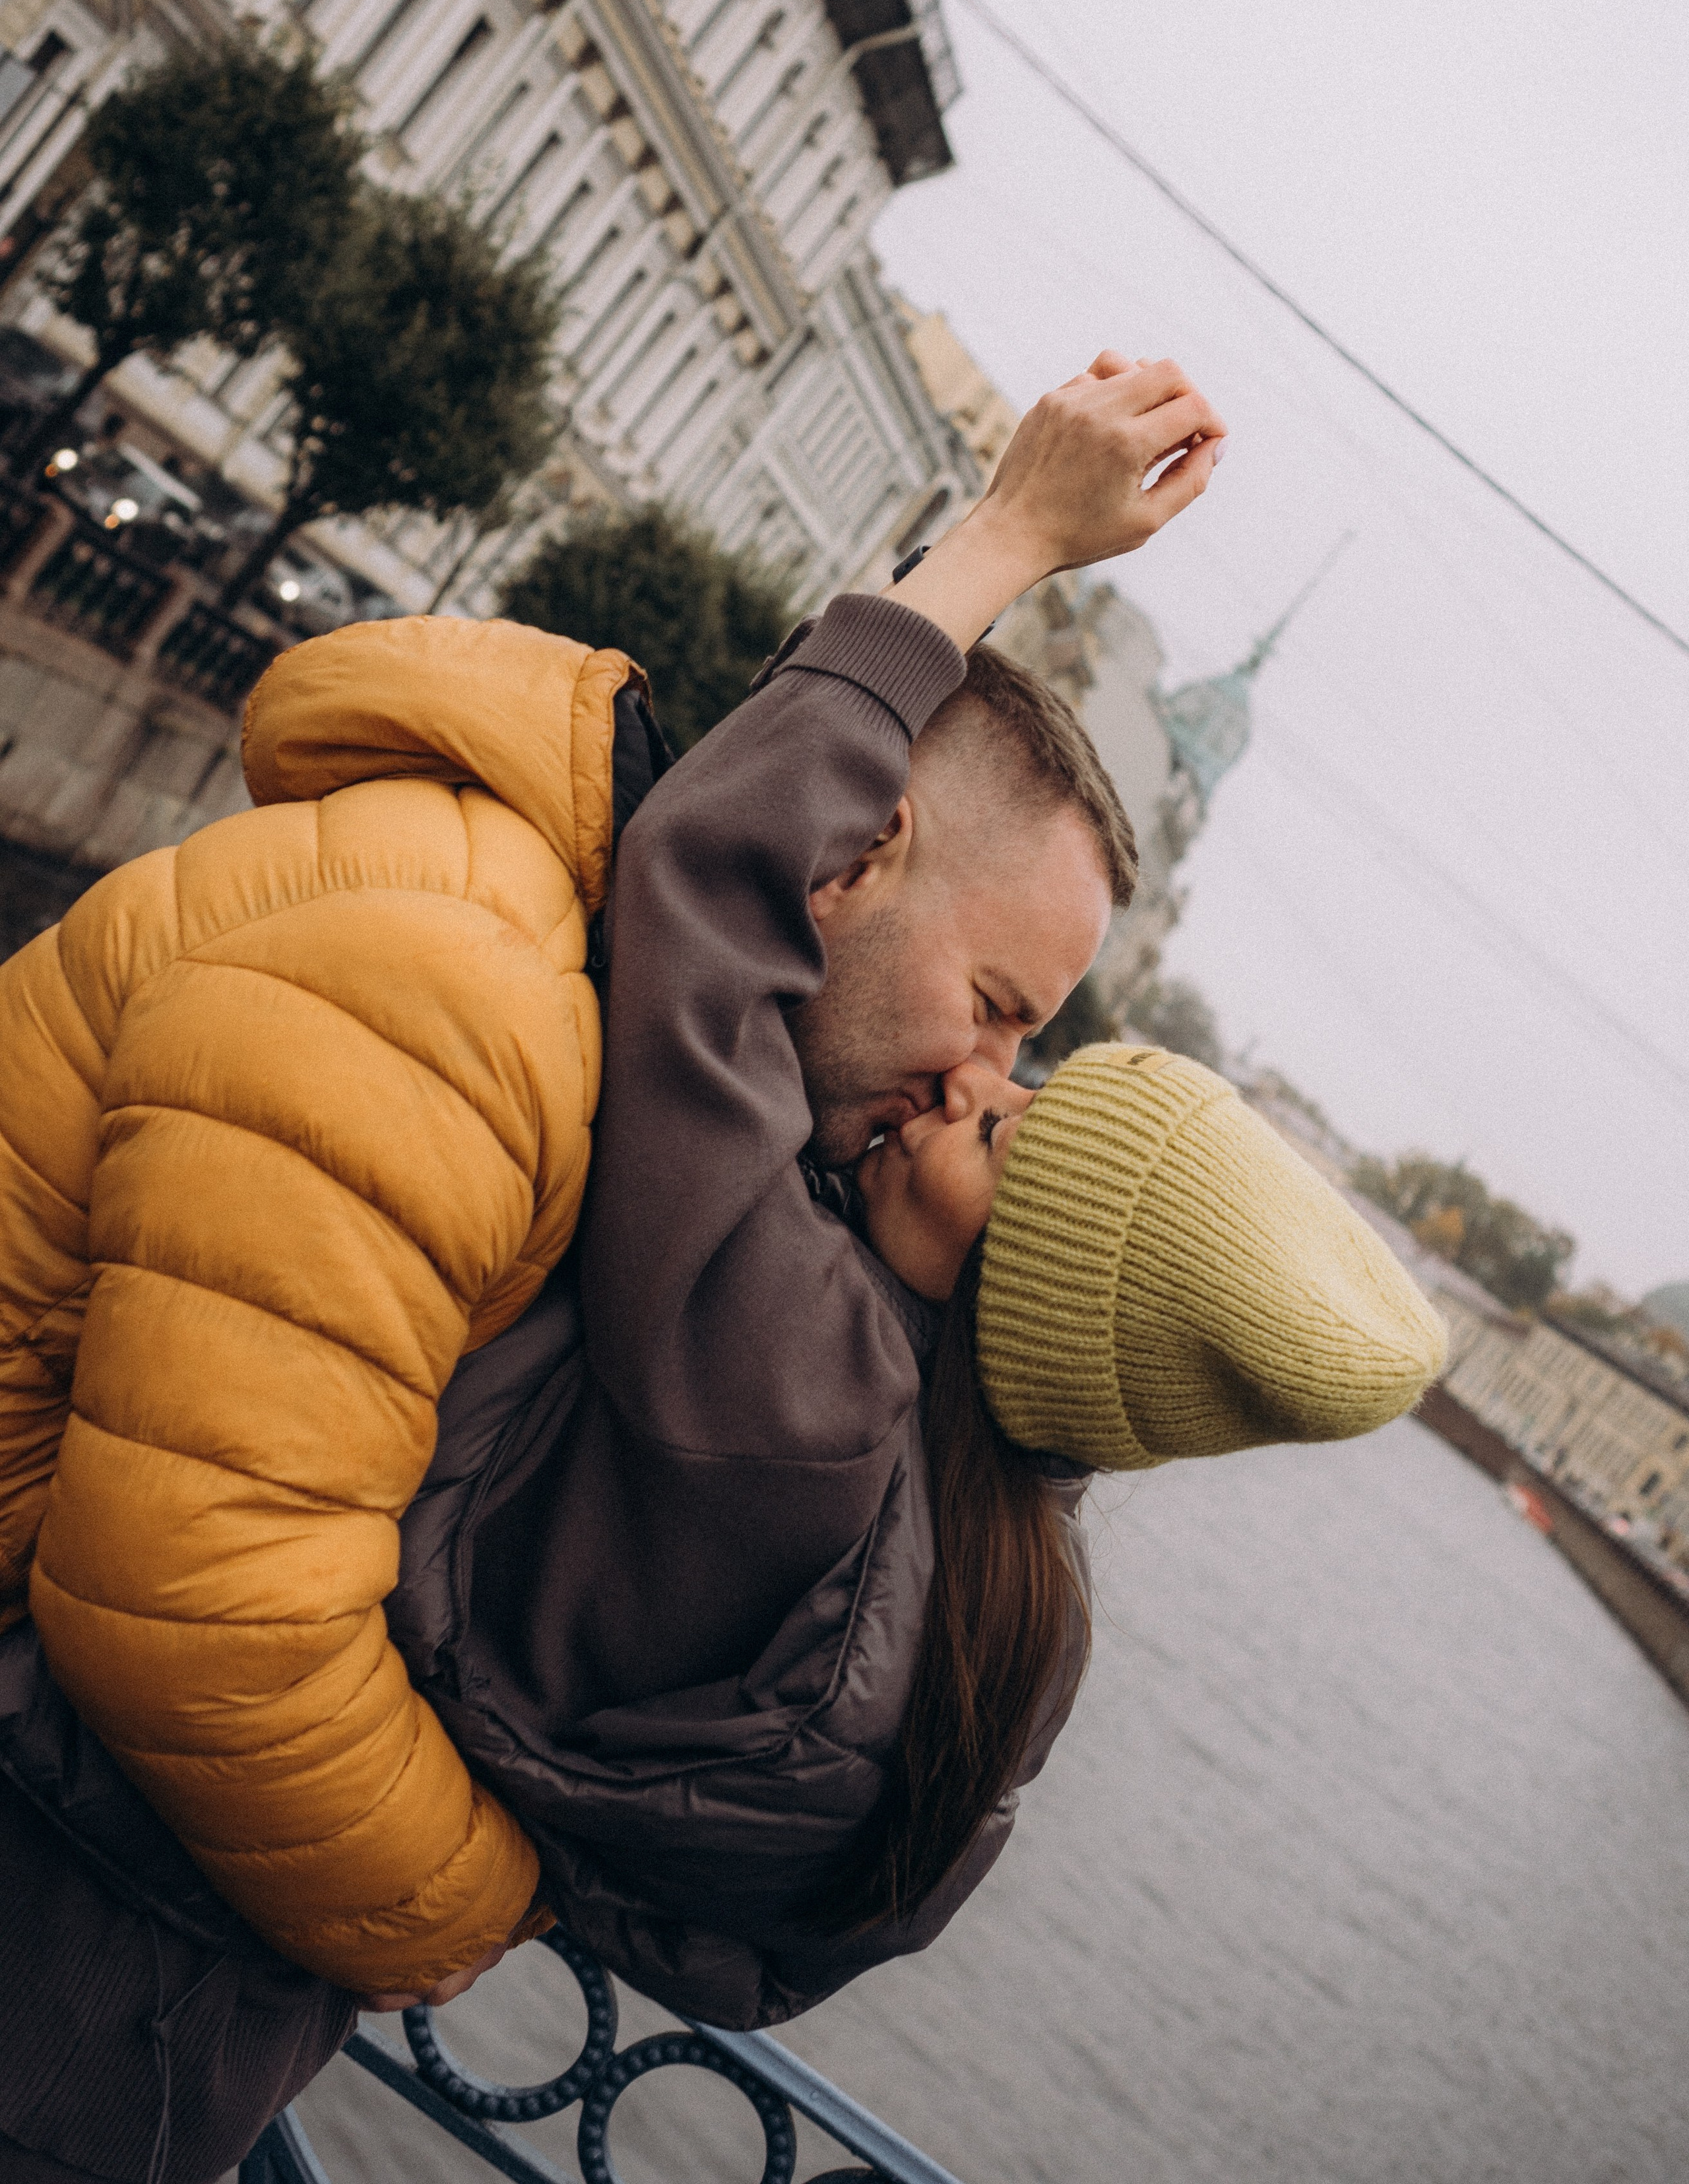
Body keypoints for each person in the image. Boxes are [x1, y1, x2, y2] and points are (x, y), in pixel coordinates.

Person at [0, 352, 1443, 2181]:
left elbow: (708, 879)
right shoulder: (467, 1010)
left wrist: (1002, 540)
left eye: (1013, 1092)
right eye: (1001, 1024)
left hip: (91, 1972)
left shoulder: (799, 1359)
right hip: (143, 2007)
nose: (966, 1088)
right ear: (858, 866)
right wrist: (518, 1892)